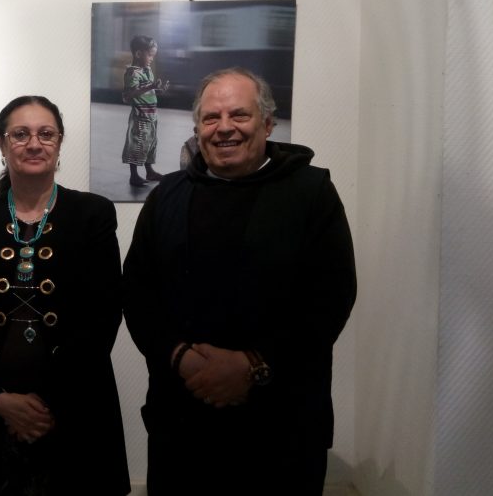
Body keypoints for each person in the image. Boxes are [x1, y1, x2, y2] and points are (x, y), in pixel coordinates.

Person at [123, 67, 356, 495]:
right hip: (182, 420)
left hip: (282, 423)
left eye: (239, 115)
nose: (224, 127)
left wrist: (253, 364)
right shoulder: (166, 196)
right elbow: (138, 293)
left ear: (268, 124)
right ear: (197, 128)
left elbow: (330, 297)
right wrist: (179, 356)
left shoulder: (312, 192)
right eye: (211, 117)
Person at [0, 96, 130, 496]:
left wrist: (45, 405)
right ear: (1, 142)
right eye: (20, 134)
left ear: (59, 142)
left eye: (46, 134)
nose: (34, 144)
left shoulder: (93, 214)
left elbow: (102, 316)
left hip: (76, 402)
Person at [121, 35, 169, 187]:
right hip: (140, 116)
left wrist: (159, 89)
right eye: (150, 55)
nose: (152, 59)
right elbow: (130, 94)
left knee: (150, 143)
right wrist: (151, 86)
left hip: (151, 115)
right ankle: (134, 176)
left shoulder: (147, 70)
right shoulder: (132, 73)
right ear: (138, 54)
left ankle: (149, 171)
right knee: (138, 144)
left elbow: (148, 91)